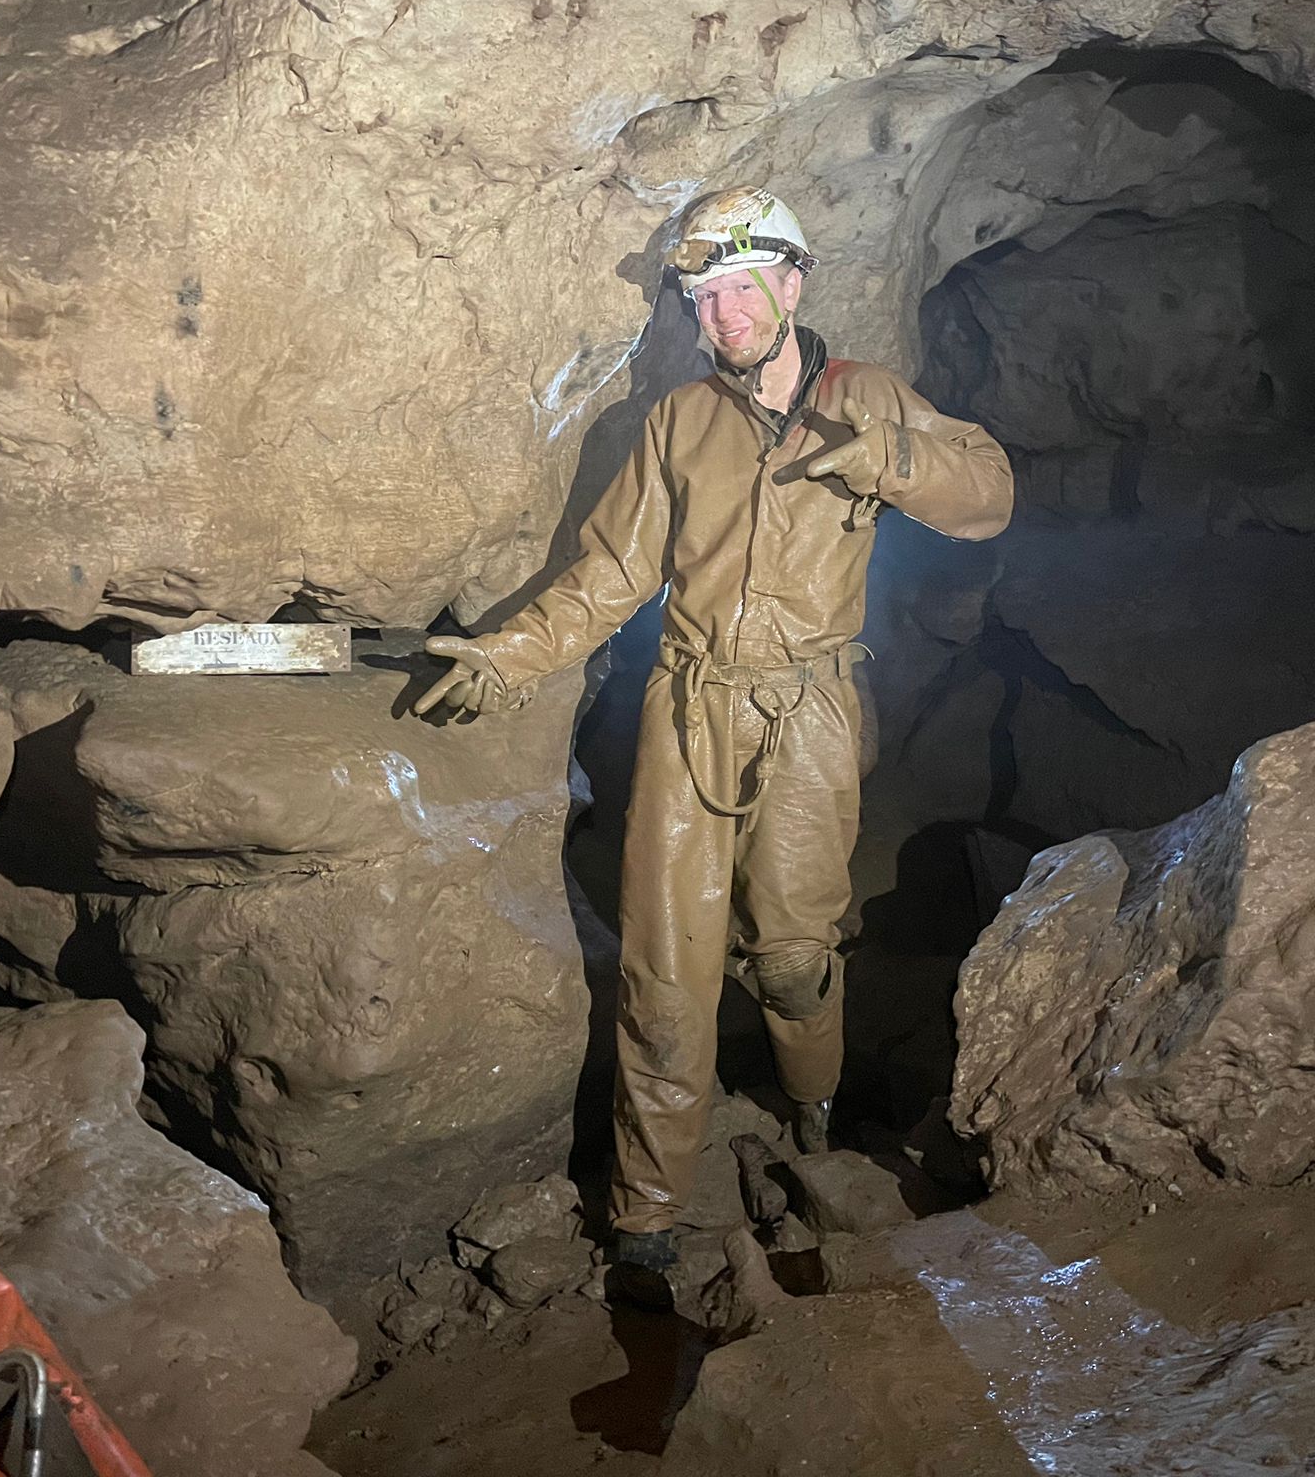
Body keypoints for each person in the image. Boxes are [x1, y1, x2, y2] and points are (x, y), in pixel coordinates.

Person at [416, 187, 1012, 1298]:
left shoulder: (864, 396)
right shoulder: (678, 422)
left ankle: (813, 1105)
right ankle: (645, 1210)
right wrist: (512, 654)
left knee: (791, 956)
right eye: (703, 297)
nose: (723, 314)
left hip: (813, 707)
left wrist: (879, 458)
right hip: (689, 708)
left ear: (792, 285)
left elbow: (987, 496)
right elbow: (607, 574)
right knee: (664, 972)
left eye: (741, 288)